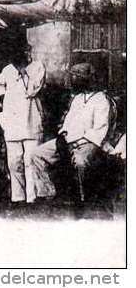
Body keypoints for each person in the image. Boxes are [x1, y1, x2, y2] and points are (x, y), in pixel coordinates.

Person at [30, 62, 110, 204]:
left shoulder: (101, 100)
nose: (72, 80)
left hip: (87, 142)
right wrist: (63, 135)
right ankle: (47, 193)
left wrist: (77, 143)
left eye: (75, 77)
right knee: (36, 154)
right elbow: (68, 122)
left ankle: (83, 198)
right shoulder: (77, 99)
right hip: (69, 139)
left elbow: (99, 129)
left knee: (80, 162)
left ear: (85, 79)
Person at [0, 43, 45, 205]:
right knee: (14, 161)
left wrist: (23, 72)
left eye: (27, 51)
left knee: (30, 159)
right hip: (13, 120)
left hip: (31, 118)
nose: (25, 54)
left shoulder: (37, 67)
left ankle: (32, 197)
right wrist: (4, 101)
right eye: (21, 52)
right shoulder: (7, 70)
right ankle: (18, 197)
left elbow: (32, 90)